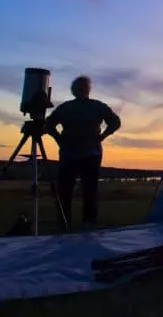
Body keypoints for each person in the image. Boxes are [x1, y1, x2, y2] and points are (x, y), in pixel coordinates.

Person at [45, 75, 121, 230]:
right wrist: (59, 139)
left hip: (85, 155)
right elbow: (49, 125)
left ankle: (78, 223)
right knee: (74, 191)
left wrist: (103, 136)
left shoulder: (86, 107)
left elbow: (115, 122)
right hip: (75, 155)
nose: (81, 90)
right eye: (80, 88)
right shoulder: (80, 107)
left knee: (86, 191)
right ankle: (71, 223)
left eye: (82, 87)